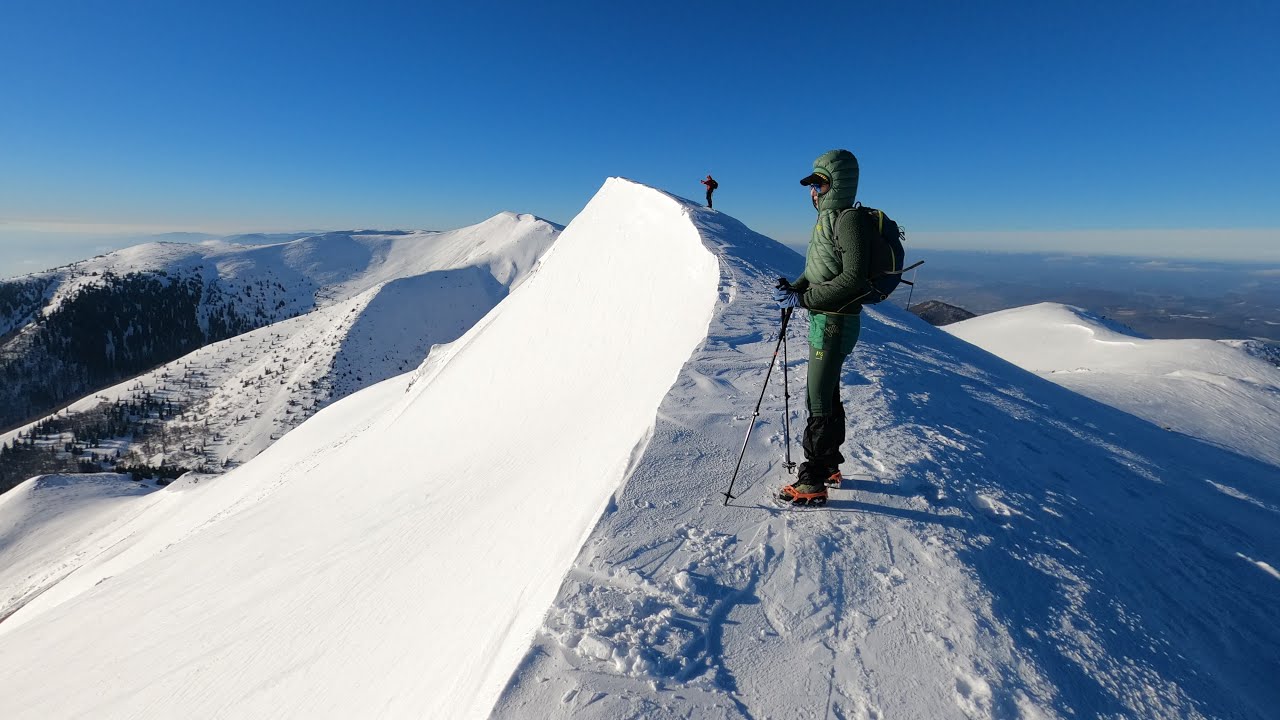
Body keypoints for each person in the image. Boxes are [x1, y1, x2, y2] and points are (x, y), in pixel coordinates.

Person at [772, 149, 868, 505]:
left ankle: (813, 479)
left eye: (820, 183)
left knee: (818, 399)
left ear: (838, 183)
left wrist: (805, 300)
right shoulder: (828, 220)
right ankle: (828, 466)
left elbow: (854, 279)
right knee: (826, 395)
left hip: (834, 323)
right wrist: (795, 288)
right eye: (812, 184)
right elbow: (819, 271)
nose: (813, 190)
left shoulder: (847, 221)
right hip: (825, 320)